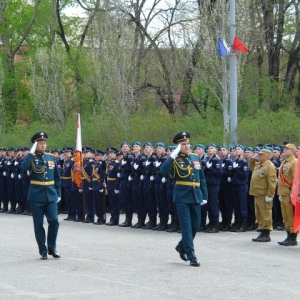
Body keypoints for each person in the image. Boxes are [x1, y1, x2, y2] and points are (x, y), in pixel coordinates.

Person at [160, 131, 208, 267]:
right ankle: (192, 255)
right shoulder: (174, 159)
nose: (187, 146)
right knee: (186, 227)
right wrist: (172, 157)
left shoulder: (195, 157)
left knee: (196, 225)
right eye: (183, 144)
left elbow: (202, 178)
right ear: (178, 146)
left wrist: (204, 195)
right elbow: (162, 172)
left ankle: (181, 246)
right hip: (182, 197)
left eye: (187, 143)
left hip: (196, 195)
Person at [21, 132, 62, 260]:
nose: (43, 145)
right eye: (40, 143)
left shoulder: (51, 158)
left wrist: (58, 193)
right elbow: (23, 168)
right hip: (36, 196)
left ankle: (52, 247)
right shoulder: (31, 158)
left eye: (44, 143)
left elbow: (57, 177)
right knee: (38, 224)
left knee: (54, 221)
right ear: (35, 144)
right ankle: (43, 250)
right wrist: (29, 155)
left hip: (50, 195)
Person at [249, 149, 276, 242]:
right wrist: (253, 158)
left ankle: (266, 233)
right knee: (259, 214)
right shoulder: (259, 165)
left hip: (264, 194)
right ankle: (261, 231)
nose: (258, 156)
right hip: (257, 193)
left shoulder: (269, 166)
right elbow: (250, 167)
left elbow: (272, 181)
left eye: (260, 155)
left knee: (265, 214)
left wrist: (270, 194)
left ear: (266, 156)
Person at [277, 143, 298, 246]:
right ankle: (288, 234)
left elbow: (296, 179)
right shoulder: (284, 162)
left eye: (287, 149)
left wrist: (293, 193)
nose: (284, 150)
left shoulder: (294, 162)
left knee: (290, 216)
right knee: (285, 215)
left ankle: (292, 236)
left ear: (293, 151)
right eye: (284, 148)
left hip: (290, 193)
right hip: (283, 193)